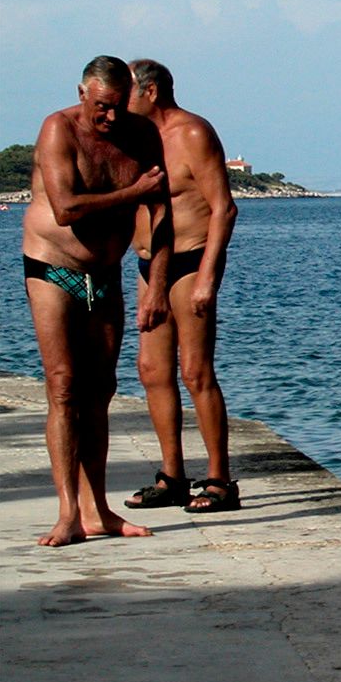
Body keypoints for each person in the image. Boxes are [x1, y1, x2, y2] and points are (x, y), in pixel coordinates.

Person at [22, 56, 171, 546]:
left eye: (119, 107)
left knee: (101, 390)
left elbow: (162, 212)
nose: (110, 117)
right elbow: (66, 208)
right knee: (64, 387)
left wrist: (158, 286)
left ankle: (98, 509)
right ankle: (68, 512)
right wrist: (133, 192)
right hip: (53, 268)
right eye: (102, 106)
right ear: (82, 93)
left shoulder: (141, 135)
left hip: (105, 274)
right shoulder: (58, 129)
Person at [123, 59, 241, 513]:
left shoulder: (192, 133)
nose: (120, 102)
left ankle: (220, 480)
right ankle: (172, 476)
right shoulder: (135, 139)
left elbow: (223, 208)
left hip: (191, 260)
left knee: (195, 371)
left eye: (128, 93)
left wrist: (208, 276)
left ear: (150, 92)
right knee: (152, 370)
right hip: (148, 264)